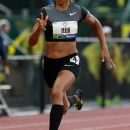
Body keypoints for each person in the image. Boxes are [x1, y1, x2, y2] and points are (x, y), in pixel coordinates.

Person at [28, 0, 116, 130]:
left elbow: (96, 24)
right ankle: (74, 99)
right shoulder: (45, 12)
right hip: (50, 63)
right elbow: (31, 42)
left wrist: (104, 47)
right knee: (62, 107)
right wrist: (37, 31)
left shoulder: (79, 11)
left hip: (70, 60)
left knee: (57, 92)